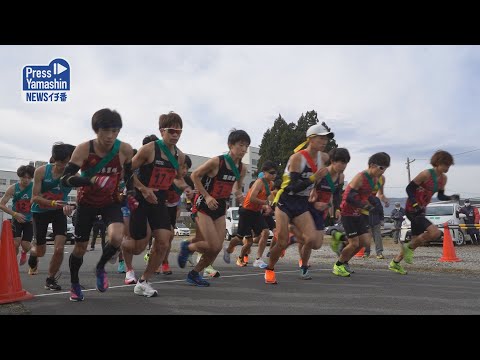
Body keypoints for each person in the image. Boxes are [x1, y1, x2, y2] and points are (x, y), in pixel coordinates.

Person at [61, 108, 135, 301]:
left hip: (110, 201)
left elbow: (129, 177)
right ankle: (75, 284)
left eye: (115, 131)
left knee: (117, 237)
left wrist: (131, 193)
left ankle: (100, 267)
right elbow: (65, 179)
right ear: (96, 130)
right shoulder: (84, 149)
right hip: (86, 202)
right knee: (80, 248)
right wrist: (91, 181)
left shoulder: (125, 149)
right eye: (106, 131)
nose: (110, 136)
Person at [130, 111, 191, 297]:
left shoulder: (180, 156)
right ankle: (121, 247)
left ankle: (143, 281)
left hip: (159, 201)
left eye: (179, 131)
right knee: (138, 246)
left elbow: (178, 179)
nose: (175, 134)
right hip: (141, 198)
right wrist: (143, 189)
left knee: (164, 241)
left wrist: (187, 188)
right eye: (172, 130)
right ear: (162, 130)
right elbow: (126, 172)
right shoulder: (149, 149)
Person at [178, 129, 249, 287]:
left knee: (216, 248)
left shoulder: (242, 168)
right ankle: (187, 246)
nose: (244, 149)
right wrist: (208, 196)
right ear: (230, 145)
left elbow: (237, 186)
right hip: (204, 203)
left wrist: (239, 195)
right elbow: (194, 175)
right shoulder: (217, 161)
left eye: (246, 146)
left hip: (220, 206)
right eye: (241, 145)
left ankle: (194, 274)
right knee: (209, 244)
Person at [267, 123, 332, 284]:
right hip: (286, 200)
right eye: (321, 138)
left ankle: (293, 237)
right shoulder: (297, 158)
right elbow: (292, 187)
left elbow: (321, 178)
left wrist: (315, 189)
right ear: (311, 139)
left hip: (302, 203)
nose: (324, 141)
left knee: (314, 241)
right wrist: (313, 179)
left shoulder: (323, 157)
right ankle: (270, 268)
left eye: (326, 138)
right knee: (281, 242)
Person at [389, 150, 459, 275]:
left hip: (422, 210)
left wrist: (450, 197)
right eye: (445, 164)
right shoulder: (426, 174)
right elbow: (409, 188)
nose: (448, 167)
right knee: (435, 233)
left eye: (449, 165)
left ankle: (395, 263)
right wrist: (415, 204)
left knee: (416, 241)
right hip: (412, 209)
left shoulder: (443, 179)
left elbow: (441, 196)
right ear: (437, 163)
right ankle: (408, 248)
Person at [332, 152, 391, 277]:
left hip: (359, 212)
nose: (383, 171)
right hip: (348, 212)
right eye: (381, 168)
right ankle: (338, 265)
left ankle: (344, 258)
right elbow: (348, 197)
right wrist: (365, 206)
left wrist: (381, 200)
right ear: (372, 165)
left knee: (365, 242)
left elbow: (370, 194)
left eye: (385, 169)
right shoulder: (360, 177)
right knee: (354, 243)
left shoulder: (378, 179)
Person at [29, 143, 76, 290]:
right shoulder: (41, 171)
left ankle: (50, 279)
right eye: (61, 162)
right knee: (41, 251)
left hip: (58, 212)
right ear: (54, 159)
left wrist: (72, 206)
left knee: (59, 248)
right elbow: (34, 197)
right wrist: (54, 202)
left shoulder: (74, 175)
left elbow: (82, 197)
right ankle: (33, 252)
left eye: (67, 162)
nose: (64, 166)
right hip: (39, 212)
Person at [295, 147, 350, 270]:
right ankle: (304, 265)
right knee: (309, 240)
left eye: (345, 163)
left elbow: (336, 195)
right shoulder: (321, 172)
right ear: (332, 161)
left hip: (322, 211)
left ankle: (294, 238)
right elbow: (307, 191)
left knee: (317, 244)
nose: (343, 166)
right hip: (308, 208)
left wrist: (335, 208)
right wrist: (314, 202)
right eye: (340, 162)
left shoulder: (340, 177)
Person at [222, 161, 277, 269]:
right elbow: (252, 198)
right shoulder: (259, 182)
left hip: (256, 212)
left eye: (275, 173)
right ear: (264, 172)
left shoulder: (270, 184)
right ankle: (228, 250)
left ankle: (258, 259)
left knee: (265, 232)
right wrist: (265, 203)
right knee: (240, 239)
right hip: (246, 211)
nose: (274, 175)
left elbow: (265, 198)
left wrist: (266, 207)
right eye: (271, 173)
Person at [0, 164, 35, 266]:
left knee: (26, 245)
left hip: (30, 220)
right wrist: (15, 214)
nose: (26, 180)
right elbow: (1, 204)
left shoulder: (35, 187)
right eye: (24, 177)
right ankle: (12, 265)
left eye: (29, 178)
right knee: (15, 243)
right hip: (17, 218)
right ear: (20, 177)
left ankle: (26, 254)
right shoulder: (13, 188)